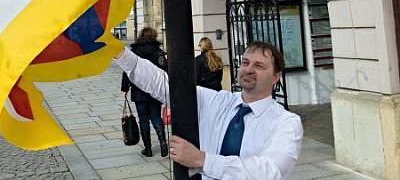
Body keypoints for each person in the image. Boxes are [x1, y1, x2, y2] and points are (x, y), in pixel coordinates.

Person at [116, 41, 303, 179]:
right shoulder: (220, 100)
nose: (248, 69)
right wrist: (119, 52)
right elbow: (162, 84)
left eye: (259, 65)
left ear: (276, 77)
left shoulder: (286, 122)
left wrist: (202, 160)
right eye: (245, 63)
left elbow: (269, 172)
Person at [121, 27, 169, 158]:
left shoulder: (135, 52)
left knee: (143, 120)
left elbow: (127, 70)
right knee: (156, 117)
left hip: (139, 92)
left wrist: (125, 88)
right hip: (155, 91)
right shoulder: (158, 52)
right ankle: (163, 142)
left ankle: (148, 149)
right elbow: (166, 70)